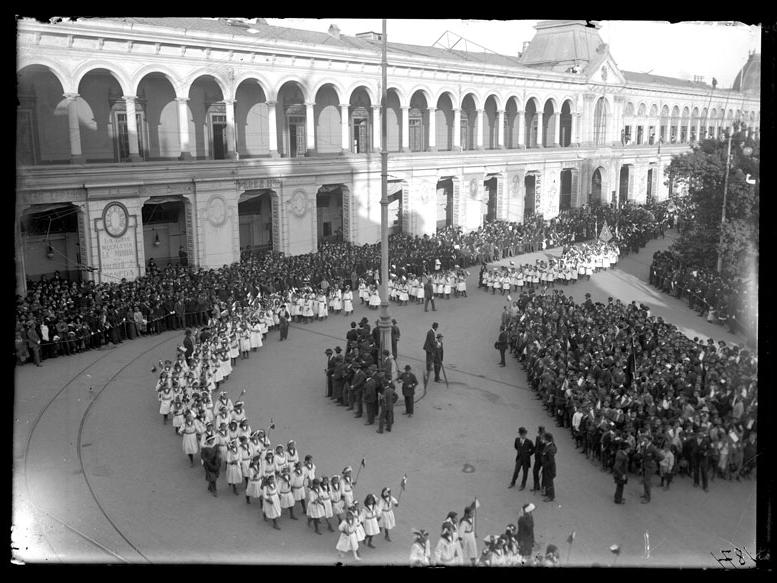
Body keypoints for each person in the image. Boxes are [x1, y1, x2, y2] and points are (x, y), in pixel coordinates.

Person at [638, 436, 664, 504]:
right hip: (645, 465)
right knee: (645, 481)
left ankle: (647, 498)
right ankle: (645, 494)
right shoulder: (645, 446)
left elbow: (661, 457)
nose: (644, 441)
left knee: (647, 482)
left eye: (646, 440)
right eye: (644, 440)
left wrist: (654, 460)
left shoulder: (652, 448)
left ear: (650, 441)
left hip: (650, 467)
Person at [541, 432, 557, 502]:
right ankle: (547, 493)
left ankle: (551, 496)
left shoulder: (550, 449)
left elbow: (551, 461)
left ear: (547, 439)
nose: (543, 439)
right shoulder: (548, 445)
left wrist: (545, 465)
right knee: (547, 481)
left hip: (549, 469)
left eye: (544, 438)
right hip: (547, 468)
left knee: (549, 482)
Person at [612, 439, 629, 504]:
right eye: (628, 448)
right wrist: (622, 475)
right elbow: (616, 467)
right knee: (620, 487)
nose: (629, 450)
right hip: (620, 474)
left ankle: (618, 497)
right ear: (625, 449)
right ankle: (618, 500)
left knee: (620, 487)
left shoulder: (621, 453)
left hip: (620, 474)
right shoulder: (621, 457)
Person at [532, 426, 546, 493]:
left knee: (544, 473)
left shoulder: (547, 439)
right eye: (540, 433)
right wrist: (534, 452)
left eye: (541, 433)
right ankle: (536, 485)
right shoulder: (537, 438)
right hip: (537, 457)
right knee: (535, 471)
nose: (540, 434)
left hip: (544, 459)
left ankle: (543, 487)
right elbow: (536, 447)